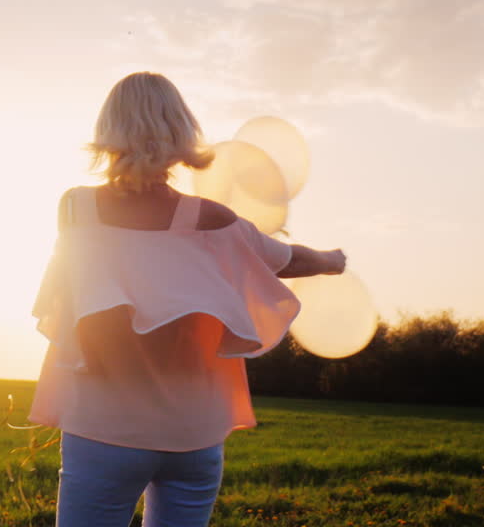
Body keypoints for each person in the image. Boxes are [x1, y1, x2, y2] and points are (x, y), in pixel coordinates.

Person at [29, 72, 346, 527]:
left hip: (104, 431)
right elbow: (288, 259)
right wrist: (333, 260)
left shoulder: (76, 209)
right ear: (180, 131)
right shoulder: (214, 221)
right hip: (194, 439)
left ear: (109, 129)